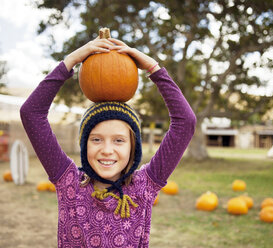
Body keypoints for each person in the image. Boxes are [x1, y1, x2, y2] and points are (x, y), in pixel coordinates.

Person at [20, 36, 196, 247]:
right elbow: (31, 113)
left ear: (133, 147)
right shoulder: (69, 183)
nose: (107, 150)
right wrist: (71, 60)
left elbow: (186, 122)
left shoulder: (144, 187)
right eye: (96, 139)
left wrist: (154, 68)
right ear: (84, 144)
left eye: (119, 140)